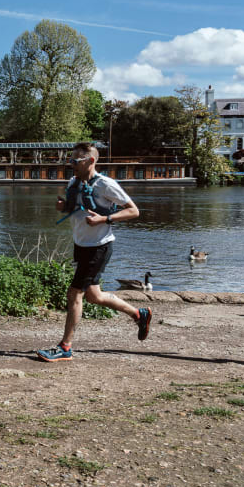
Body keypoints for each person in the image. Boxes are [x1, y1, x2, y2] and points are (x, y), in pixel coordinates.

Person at [37, 142, 152, 362]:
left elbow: (133, 211)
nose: (71, 164)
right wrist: (63, 207)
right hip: (81, 245)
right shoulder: (73, 181)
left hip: (99, 246)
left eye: (75, 160)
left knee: (75, 293)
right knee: (94, 296)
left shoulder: (106, 184)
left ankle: (65, 347)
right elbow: (74, 208)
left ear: (90, 161)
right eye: (70, 160)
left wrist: (105, 219)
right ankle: (139, 314)